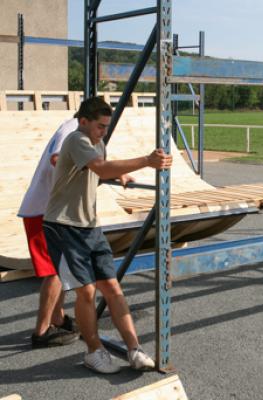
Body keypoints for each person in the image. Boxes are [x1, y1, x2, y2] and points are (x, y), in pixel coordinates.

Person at [42, 97, 173, 374]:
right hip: (64, 226)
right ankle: (93, 352)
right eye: (99, 126)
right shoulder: (77, 138)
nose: (103, 131)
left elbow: (96, 170)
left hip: (90, 226)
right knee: (86, 291)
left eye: (106, 126)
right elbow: (98, 167)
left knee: (112, 288)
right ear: (84, 121)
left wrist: (119, 175)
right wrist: (147, 161)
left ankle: (134, 348)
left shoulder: (96, 143)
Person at [18, 117, 80, 348]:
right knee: (54, 271)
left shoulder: (76, 131)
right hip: (43, 211)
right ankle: (42, 330)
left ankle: (57, 317)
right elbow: (57, 159)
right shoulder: (71, 128)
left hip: (52, 210)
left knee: (60, 268)